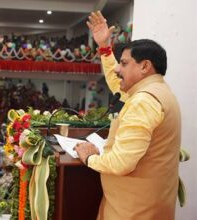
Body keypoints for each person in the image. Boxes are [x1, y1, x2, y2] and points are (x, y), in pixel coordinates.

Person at [74, 11, 181, 220]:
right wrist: (105, 47)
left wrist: (89, 157)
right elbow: (117, 84)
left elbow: (121, 163)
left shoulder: (144, 101)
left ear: (144, 66)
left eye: (123, 63)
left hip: (134, 211)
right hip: (143, 204)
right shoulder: (157, 91)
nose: (117, 70)